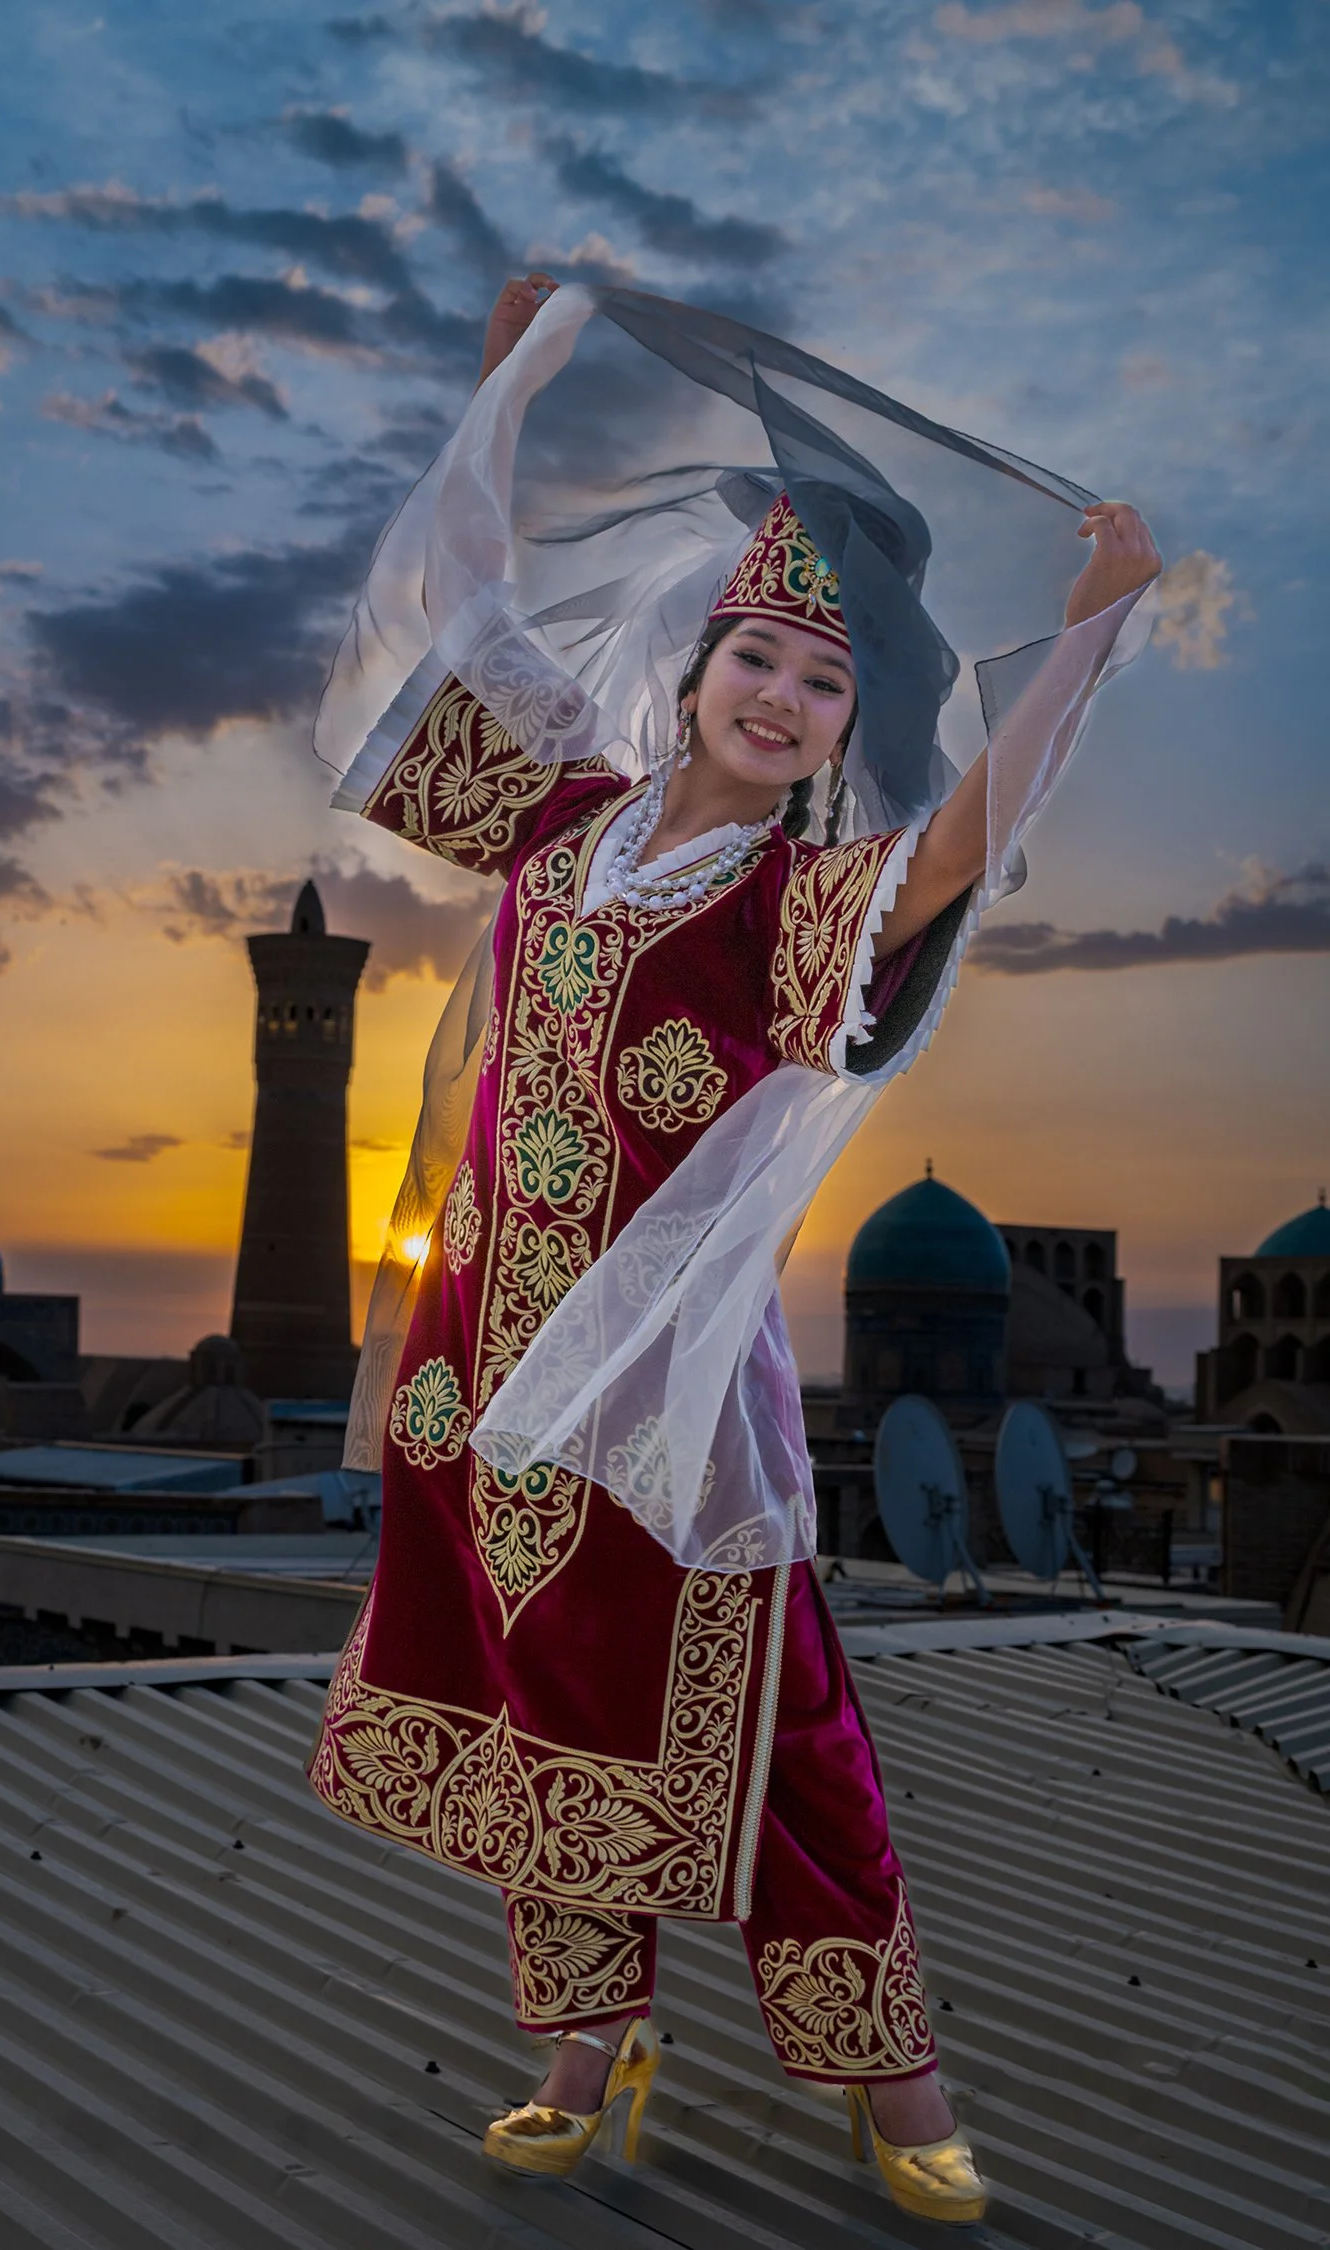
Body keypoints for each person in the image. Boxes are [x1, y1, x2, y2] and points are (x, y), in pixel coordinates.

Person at [306, 274, 1160, 2225]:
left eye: (824, 683)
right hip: (478, 1368)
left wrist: (1093, 627)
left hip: (664, 1395)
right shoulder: (562, 824)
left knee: (783, 1745)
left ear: (844, 729)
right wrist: (506, 386)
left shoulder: (793, 908)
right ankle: (586, 2052)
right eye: (758, 654)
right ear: (697, 668)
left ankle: (896, 2082)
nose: (779, 694)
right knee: (541, 1717)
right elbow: (468, 608)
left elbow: (967, 845)